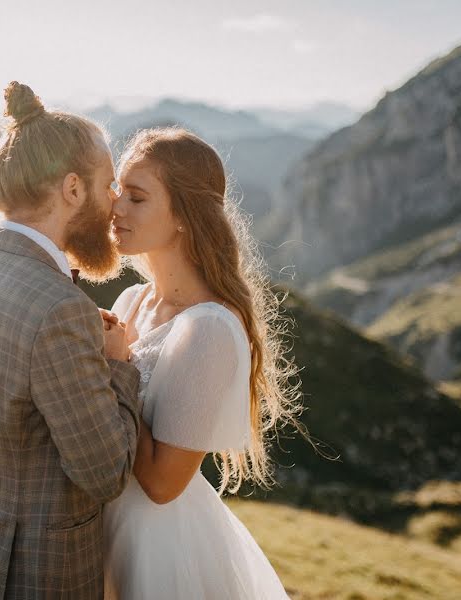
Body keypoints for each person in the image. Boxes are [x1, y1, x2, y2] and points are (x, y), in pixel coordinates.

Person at [0, 81, 141, 598]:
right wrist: (119, 365)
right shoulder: (61, 311)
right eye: (108, 183)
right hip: (33, 577)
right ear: (72, 189)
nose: (115, 201)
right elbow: (105, 471)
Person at [102, 127, 303, 599]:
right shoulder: (131, 301)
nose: (116, 207)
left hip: (156, 545)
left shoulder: (209, 329)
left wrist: (118, 367)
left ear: (183, 217)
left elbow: (162, 483)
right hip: (102, 526)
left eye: (136, 197)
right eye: (117, 192)